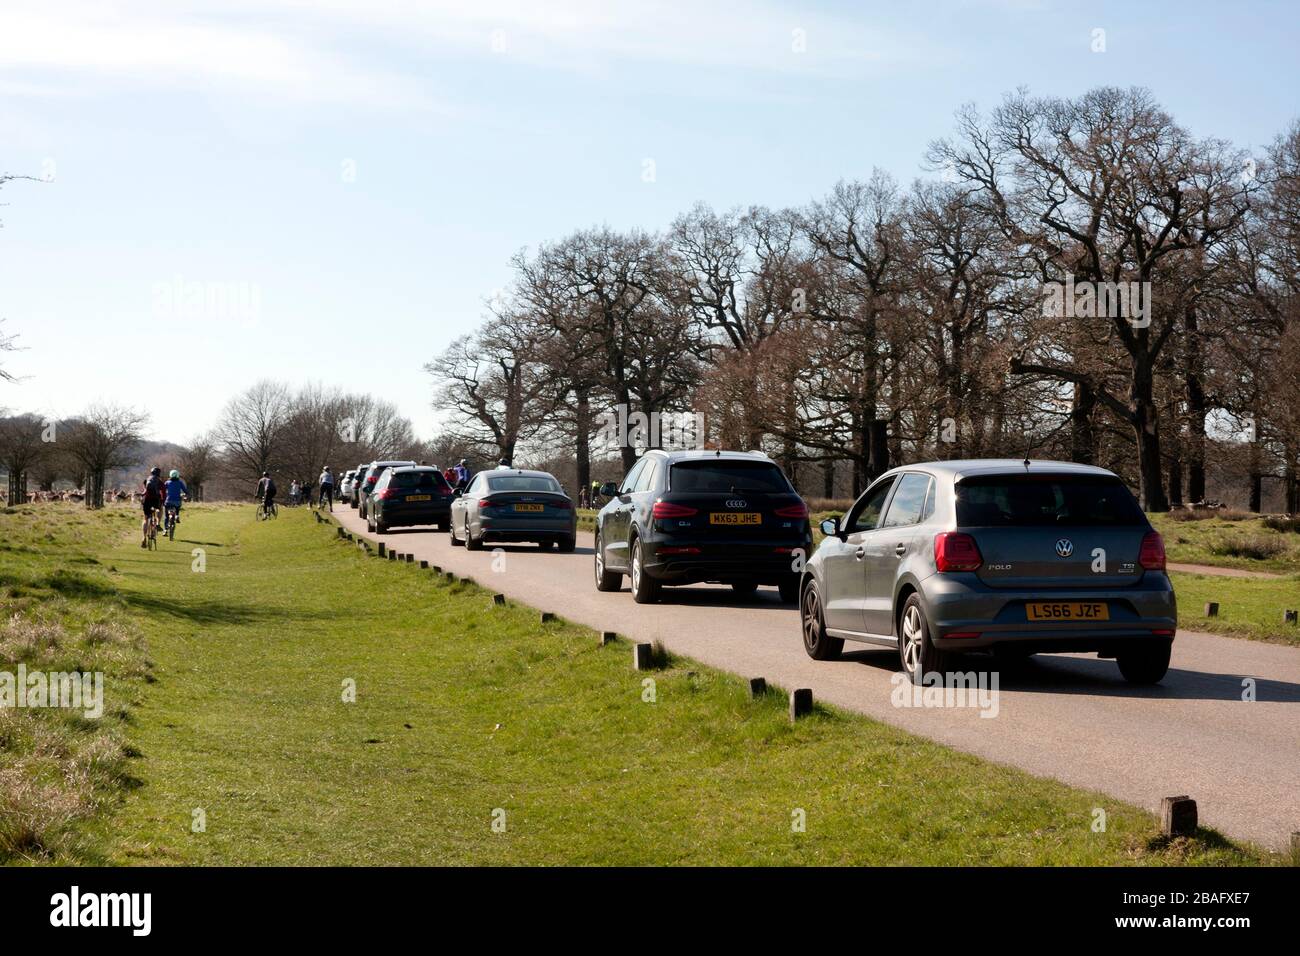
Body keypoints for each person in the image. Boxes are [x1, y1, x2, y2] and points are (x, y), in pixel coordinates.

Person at [140, 467, 166, 547]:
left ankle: (144, 537)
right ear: (159, 474)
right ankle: (158, 523)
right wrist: (163, 501)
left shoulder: (146, 480)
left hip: (147, 500)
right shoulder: (160, 482)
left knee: (146, 519)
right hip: (155, 499)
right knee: (159, 509)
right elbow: (163, 493)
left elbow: (144, 491)